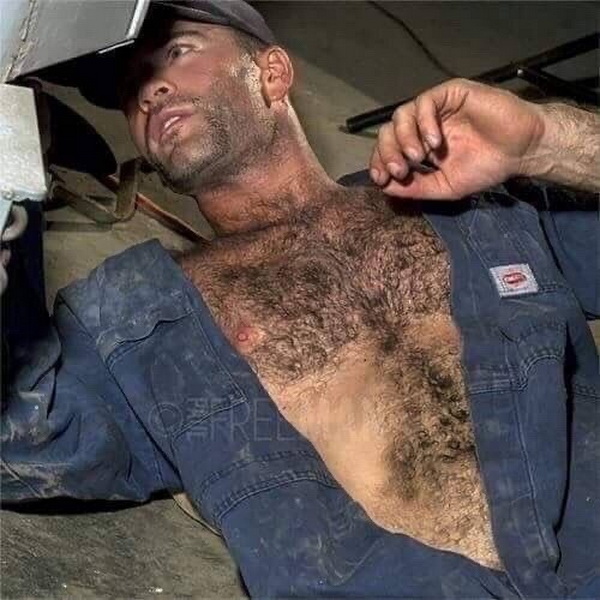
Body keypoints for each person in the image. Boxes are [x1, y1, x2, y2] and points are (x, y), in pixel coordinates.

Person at [2, 1, 599, 597]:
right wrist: (12, 169)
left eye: (177, 52)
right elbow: (21, 442)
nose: (149, 93)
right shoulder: (138, 313)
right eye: (130, 91)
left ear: (273, 73)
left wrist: (544, 141)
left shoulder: (470, 204)